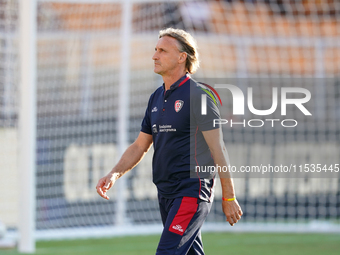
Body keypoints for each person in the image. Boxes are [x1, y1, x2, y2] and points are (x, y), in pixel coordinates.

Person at [96, 27, 242, 255]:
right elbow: (139, 146)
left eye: (162, 51)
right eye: (156, 50)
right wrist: (114, 174)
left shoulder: (199, 96)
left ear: (182, 57)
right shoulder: (155, 97)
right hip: (166, 192)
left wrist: (229, 196)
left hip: (192, 190)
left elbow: (218, 148)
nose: (155, 55)